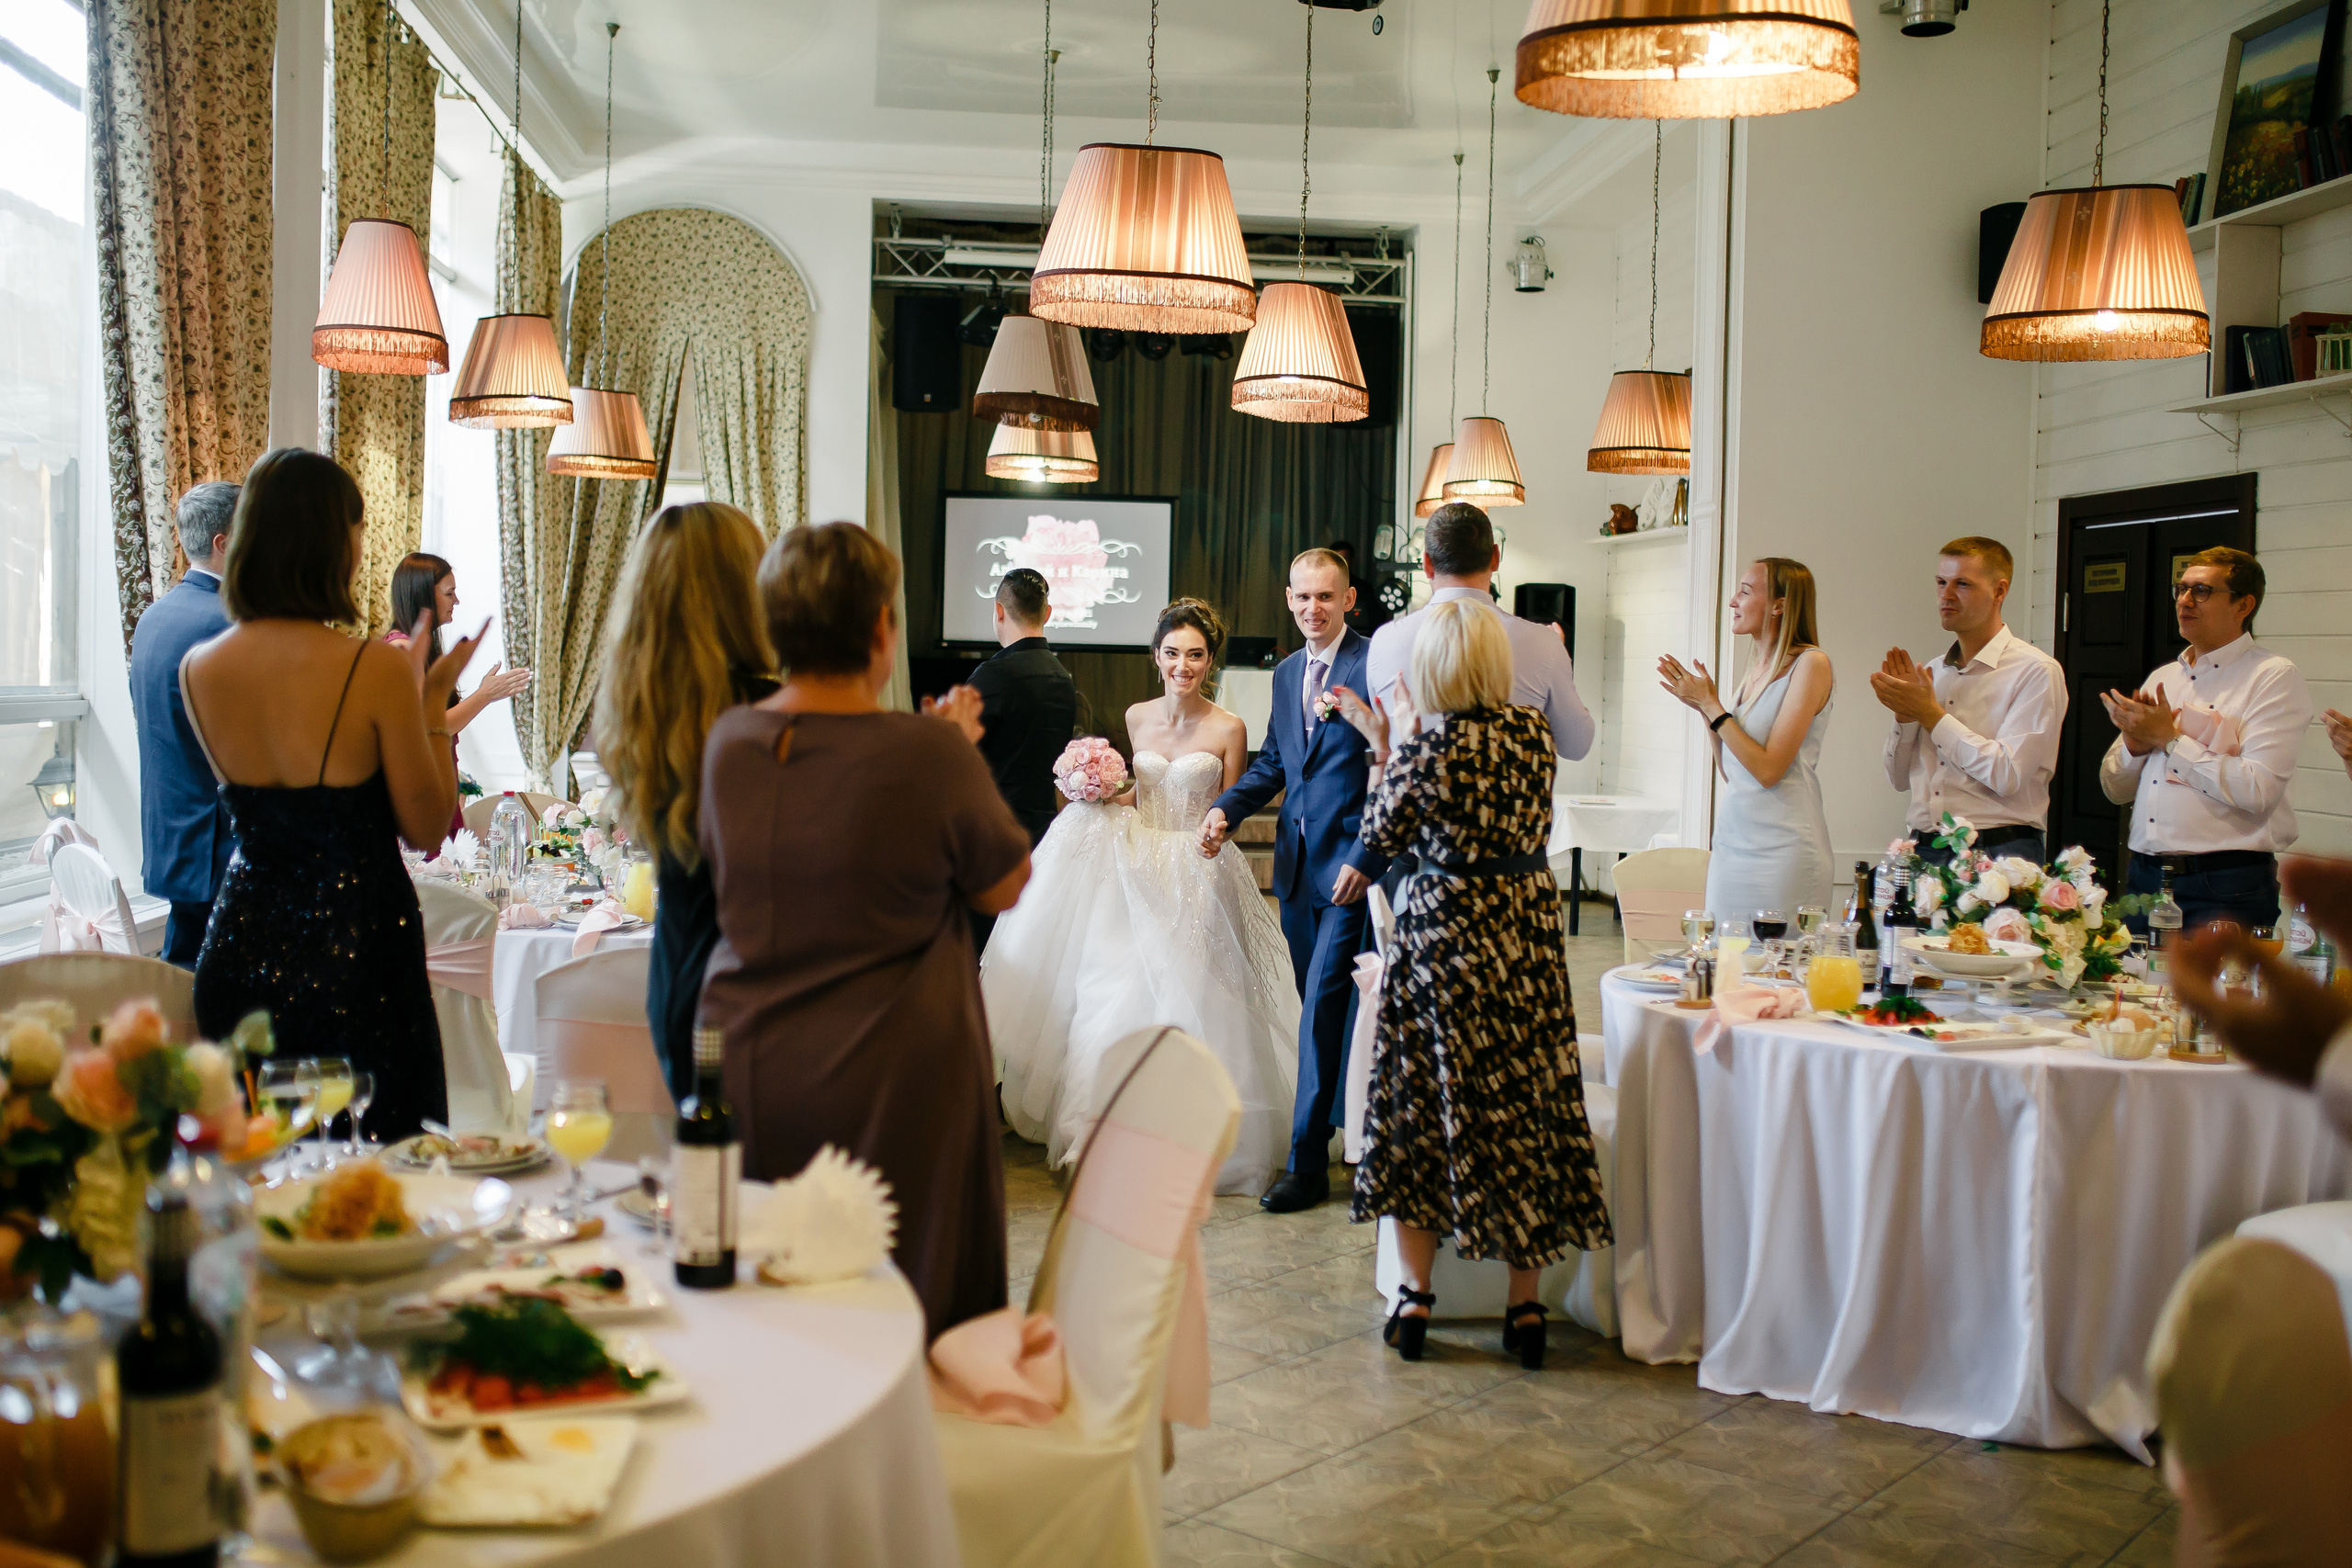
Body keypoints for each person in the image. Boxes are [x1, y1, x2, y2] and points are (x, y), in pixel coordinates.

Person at [698, 522, 1031, 1338]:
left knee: (769, 1300)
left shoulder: (730, 741)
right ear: (883, 629)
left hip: (752, 1051)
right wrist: (955, 749)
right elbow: (1005, 884)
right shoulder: (928, 750)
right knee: (902, 1294)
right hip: (893, 1070)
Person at [1334, 600, 1611, 1370]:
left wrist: (1384, 749)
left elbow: (1380, 833)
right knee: (1526, 1104)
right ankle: (1525, 1306)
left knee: (1422, 1100)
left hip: (1444, 931)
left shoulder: (1425, 745)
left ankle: (1417, 1297)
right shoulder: (1533, 739)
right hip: (1523, 931)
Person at [179, 448, 481, 1139]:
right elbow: (428, 827)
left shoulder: (200, 669)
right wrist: (431, 705)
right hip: (358, 952)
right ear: (332, 543)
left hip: (241, 946)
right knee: (386, 1174)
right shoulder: (372, 668)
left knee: (266, 1174)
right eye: (357, 529)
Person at [986, 599, 1301, 1196]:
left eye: (1195, 654)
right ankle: (1105, 1134)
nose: (1183, 664)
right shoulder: (1136, 716)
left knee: (1201, 1000)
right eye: (1173, 652)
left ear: (1210, 660)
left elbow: (1230, 805)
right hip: (1135, 864)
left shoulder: (1229, 726)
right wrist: (1097, 792)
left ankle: (1200, 1136)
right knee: (1114, 992)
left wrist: (1214, 829)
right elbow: (1138, 795)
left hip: (1201, 868)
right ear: (1157, 656)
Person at [1203, 551, 1389, 1213]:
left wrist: (1368, 853)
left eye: (1327, 597)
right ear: (1288, 598)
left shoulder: (1375, 664)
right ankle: (1353, 1140)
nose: (1315, 607)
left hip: (1352, 868)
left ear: (1350, 599)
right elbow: (1280, 762)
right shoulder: (1285, 673)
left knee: (1324, 1005)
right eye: (1304, 596)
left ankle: (1305, 1159)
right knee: (1325, 1010)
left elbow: (1392, 764)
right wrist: (1225, 807)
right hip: (1297, 869)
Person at [594, 502, 777, 1102]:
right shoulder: (773, 716)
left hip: (675, 974)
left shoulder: (634, 716)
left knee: (705, 1171)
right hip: (753, 985)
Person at [2099, 547, 2312, 933]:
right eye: (2181, 588)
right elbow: (2114, 789)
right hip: (2144, 877)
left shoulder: (2272, 676)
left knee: (2220, 994)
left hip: (2224, 882)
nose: (2184, 600)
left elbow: (2258, 789)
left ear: (2243, 605)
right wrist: (2135, 746)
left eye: (2201, 591)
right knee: (2134, 991)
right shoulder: (2164, 678)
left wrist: (2170, 741)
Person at [1872, 536, 2065, 867]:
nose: (1946, 595)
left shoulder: (2035, 671)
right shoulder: (1932, 672)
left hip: (1998, 852)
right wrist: (1905, 717)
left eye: (1962, 584)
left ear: (1999, 591)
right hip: (1923, 849)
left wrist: (1932, 715)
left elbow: (2007, 775)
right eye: (1941, 582)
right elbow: (1899, 779)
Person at [1658, 558, 1835, 919]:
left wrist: (1714, 707)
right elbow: (1733, 772)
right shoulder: (1755, 669)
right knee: (1725, 963)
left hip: (1784, 849)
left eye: (1745, 591)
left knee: (1780, 966)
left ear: (1779, 606)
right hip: (1733, 845)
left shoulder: (1811, 665)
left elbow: (1769, 771)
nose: (1733, 602)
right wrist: (1706, 711)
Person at [1364, 503, 1594, 768]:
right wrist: (1559, 660)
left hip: (1415, 802)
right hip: (1509, 805)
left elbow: (1384, 731)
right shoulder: (1544, 643)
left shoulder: (1384, 640)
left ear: (1427, 564)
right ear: (1495, 558)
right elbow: (1577, 746)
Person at [130, 482, 239, 965]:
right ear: (223, 543)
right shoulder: (230, 624)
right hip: (218, 839)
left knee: (180, 974)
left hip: (170, 830)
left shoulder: (152, 618)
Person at [965, 566, 1078, 953]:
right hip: (1044, 834)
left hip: (993, 837)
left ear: (999, 611)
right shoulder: (1063, 679)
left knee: (984, 951)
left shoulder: (991, 676)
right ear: (1047, 614)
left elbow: (963, 761)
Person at [384, 553, 531, 845]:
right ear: (423, 597)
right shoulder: (401, 651)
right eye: (449, 593)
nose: (457, 601)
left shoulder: (419, 649)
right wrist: (485, 694)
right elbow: (430, 727)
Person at [1327, 538, 1389, 637]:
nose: (1339, 565)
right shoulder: (1321, 588)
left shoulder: (1364, 589)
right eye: (1336, 560)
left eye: (1344, 559)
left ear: (1352, 560)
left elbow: (1376, 621)